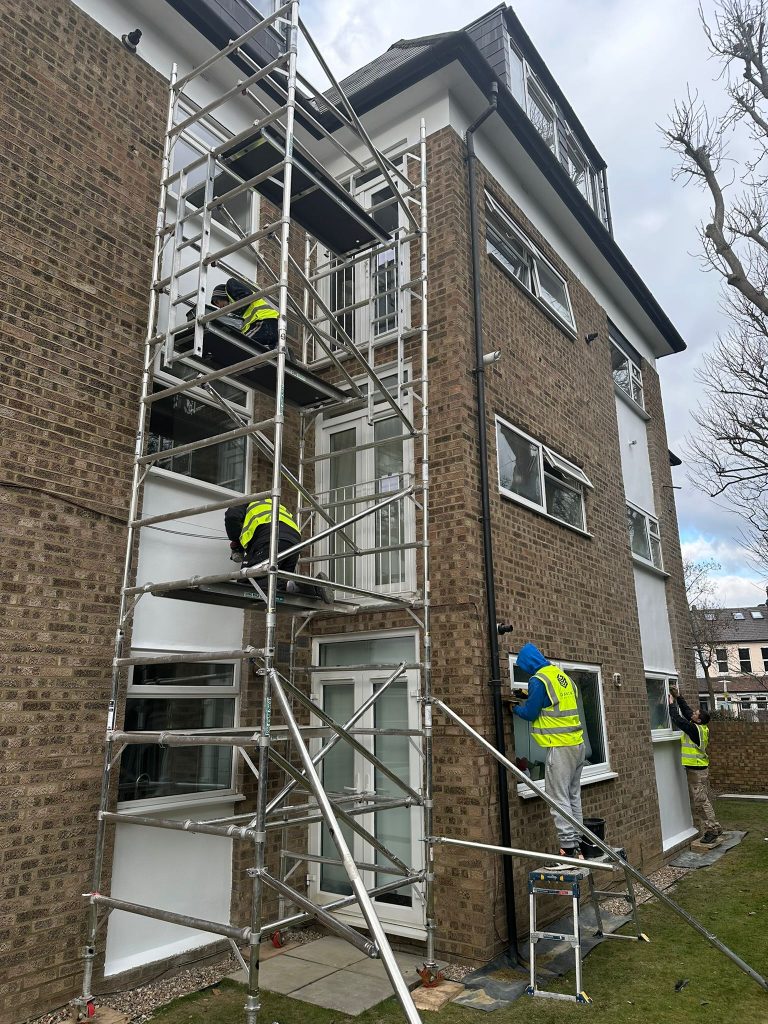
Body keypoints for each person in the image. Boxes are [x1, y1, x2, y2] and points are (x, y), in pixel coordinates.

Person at [511, 643, 586, 859]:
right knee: (573, 796)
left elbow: (532, 713)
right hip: (577, 744)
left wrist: (515, 707)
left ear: (528, 663)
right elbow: (553, 702)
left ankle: (567, 848)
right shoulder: (561, 676)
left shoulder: (538, 680)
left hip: (561, 746)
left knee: (557, 798)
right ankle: (579, 843)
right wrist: (527, 694)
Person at [224, 499, 331, 601]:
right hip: (294, 541)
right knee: (279, 585)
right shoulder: (273, 504)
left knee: (246, 581)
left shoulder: (246, 503)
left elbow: (231, 516)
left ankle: (297, 584)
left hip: (270, 536)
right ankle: (314, 587)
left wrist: (236, 541)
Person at [668, 687, 722, 845]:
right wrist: (679, 697)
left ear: (698, 720)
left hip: (696, 771)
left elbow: (677, 718)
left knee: (701, 803)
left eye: (696, 714)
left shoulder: (694, 729)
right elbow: (686, 712)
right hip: (700, 769)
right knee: (703, 800)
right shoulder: (700, 726)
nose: (693, 713)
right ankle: (716, 827)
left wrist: (671, 703)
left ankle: (711, 830)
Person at [211, 279, 279, 350]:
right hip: (270, 327)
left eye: (217, 302)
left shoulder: (231, 284)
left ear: (221, 295)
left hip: (263, 322)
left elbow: (246, 297)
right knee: (264, 353)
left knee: (241, 345)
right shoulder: (235, 310)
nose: (219, 306)